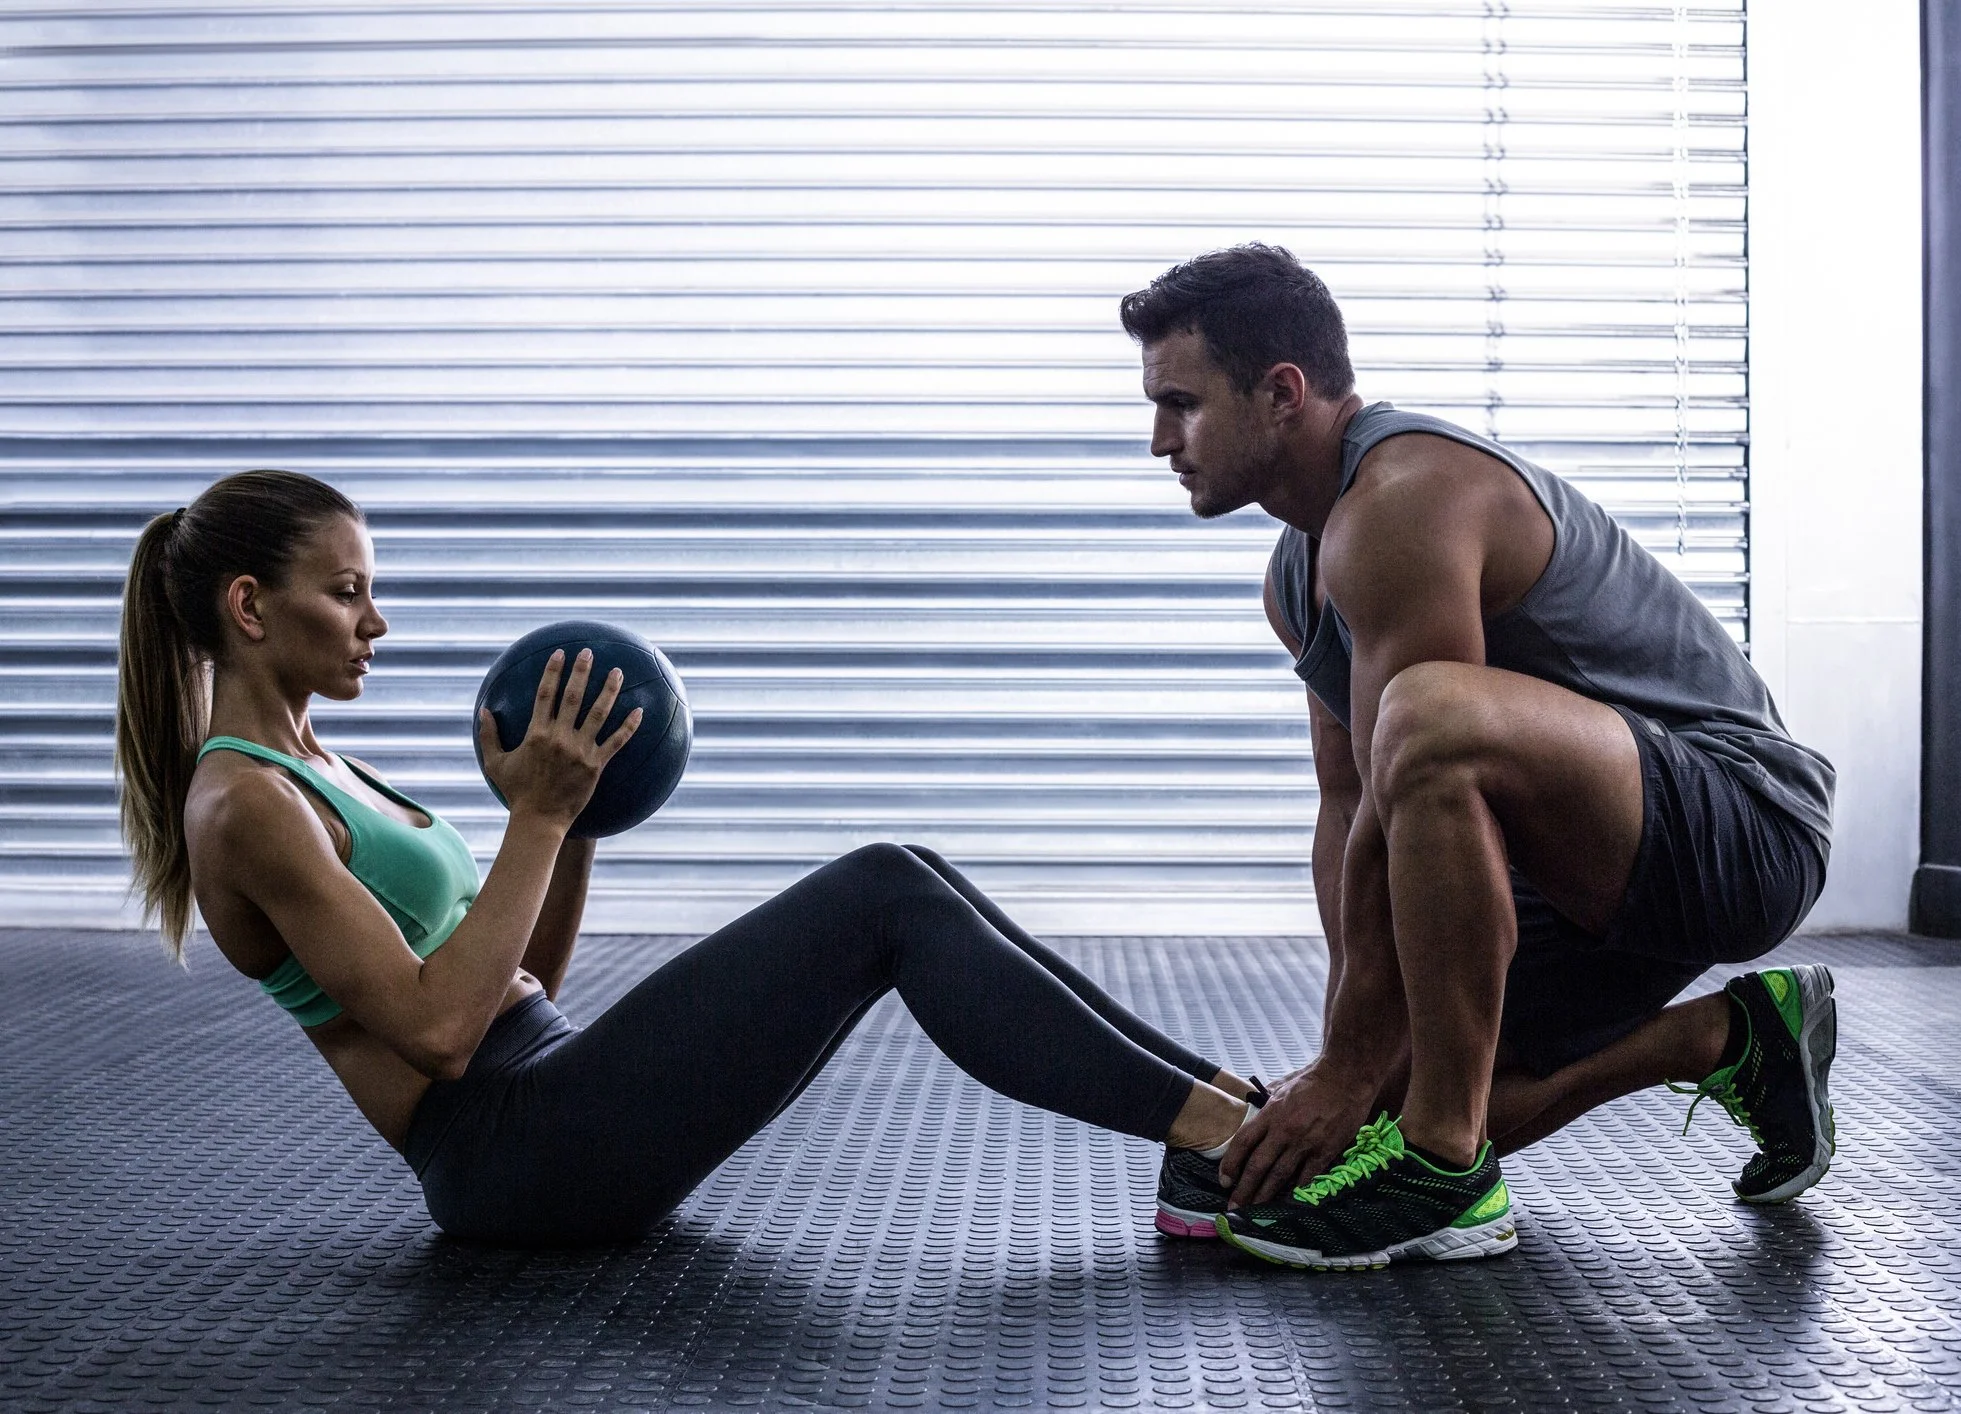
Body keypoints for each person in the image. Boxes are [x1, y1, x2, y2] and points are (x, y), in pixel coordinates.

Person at [115, 469, 1264, 1247]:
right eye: (349, 591)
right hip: (512, 1156)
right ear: (251, 606)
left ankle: (1229, 1107)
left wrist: (579, 828)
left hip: (548, 1094)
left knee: (903, 868)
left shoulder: (322, 767)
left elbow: (519, 989)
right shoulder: (243, 803)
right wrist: (539, 819)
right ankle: (1228, 1148)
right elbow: (435, 1031)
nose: (377, 623)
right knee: (881, 892)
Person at [1118, 245, 1839, 1271]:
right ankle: (1732, 1036)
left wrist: (1346, 1063)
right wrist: (1347, 1069)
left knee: (1428, 714)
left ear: (1281, 393)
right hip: (1578, 867)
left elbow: (1423, 743)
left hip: (1740, 822)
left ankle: (1447, 1172)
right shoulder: (1298, 579)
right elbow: (1350, 810)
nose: (1159, 442)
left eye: (1181, 404)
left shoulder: (1403, 495)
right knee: (1398, 1095)